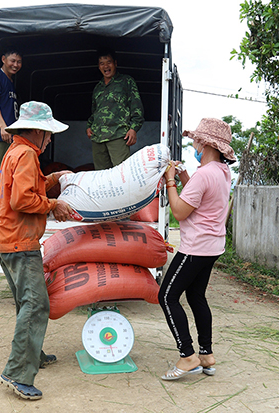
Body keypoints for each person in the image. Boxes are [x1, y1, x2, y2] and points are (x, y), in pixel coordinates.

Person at [0, 101, 73, 400]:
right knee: (36, 305)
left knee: (24, 302)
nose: (51, 138)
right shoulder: (26, 154)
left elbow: (28, 188)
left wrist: (53, 178)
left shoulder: (14, 152)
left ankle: (34, 353)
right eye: (49, 133)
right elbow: (23, 200)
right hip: (21, 242)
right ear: (37, 131)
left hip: (7, 239)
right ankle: (17, 372)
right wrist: (55, 204)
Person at [158, 118, 236, 381]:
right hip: (213, 246)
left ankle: (187, 355)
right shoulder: (222, 172)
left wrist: (170, 181)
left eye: (196, 140)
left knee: (167, 296)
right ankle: (206, 355)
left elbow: (180, 211)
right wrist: (183, 177)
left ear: (205, 143)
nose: (193, 143)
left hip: (195, 247)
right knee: (196, 297)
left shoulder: (204, 174)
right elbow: (200, 194)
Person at [86, 49, 144, 170]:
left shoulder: (126, 81)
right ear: (98, 66)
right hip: (98, 138)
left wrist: (134, 128)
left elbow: (137, 107)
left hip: (118, 135)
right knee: (101, 176)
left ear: (115, 63)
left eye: (109, 62)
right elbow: (95, 111)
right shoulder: (98, 87)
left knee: (122, 174)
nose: (105, 66)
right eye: (102, 63)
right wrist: (89, 126)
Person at [0, 49, 22, 215]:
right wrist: (3, 126)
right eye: (12, 60)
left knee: (10, 172)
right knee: (0, 171)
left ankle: (6, 206)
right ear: (3, 59)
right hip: (2, 133)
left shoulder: (10, 81)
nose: (15, 65)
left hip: (12, 135)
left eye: (18, 62)